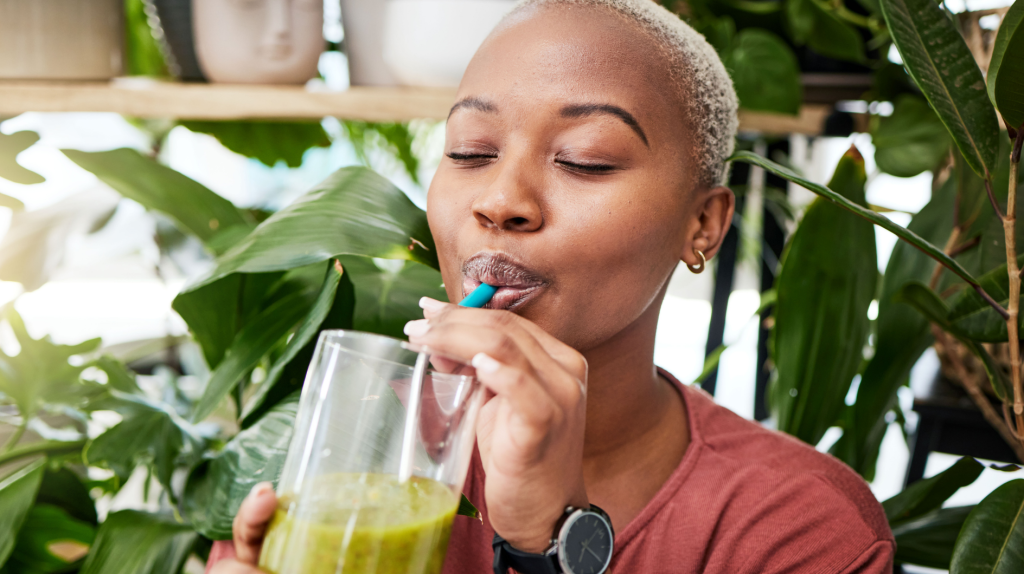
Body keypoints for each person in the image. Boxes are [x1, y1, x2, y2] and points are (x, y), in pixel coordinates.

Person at [208, 1, 894, 572]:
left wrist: (551, 542)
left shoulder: (798, 529)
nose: (501, 199)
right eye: (470, 152)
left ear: (703, 225)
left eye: (584, 160)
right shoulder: (341, 448)